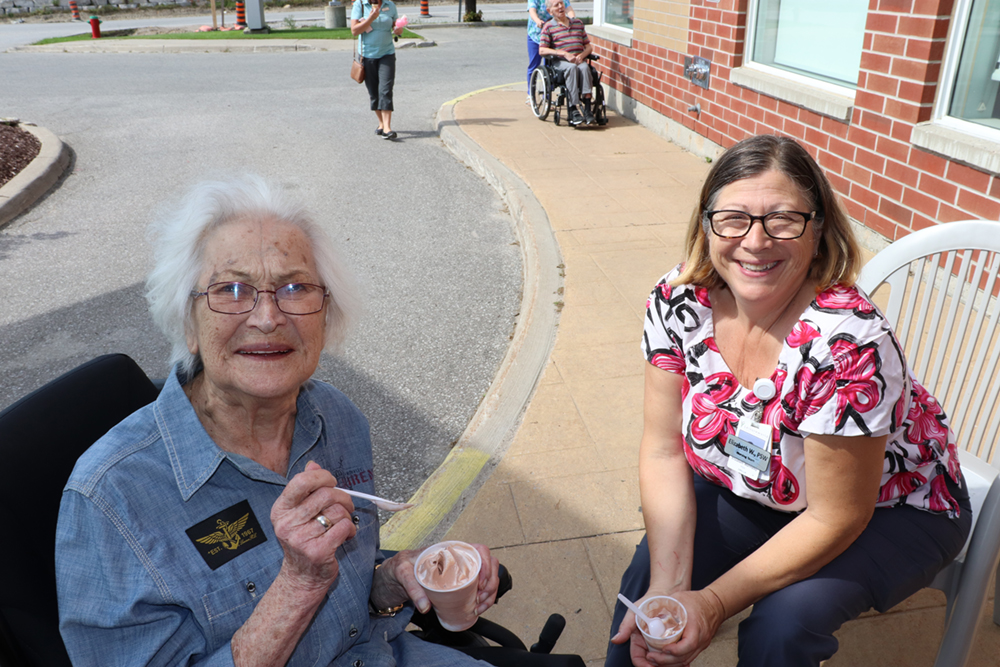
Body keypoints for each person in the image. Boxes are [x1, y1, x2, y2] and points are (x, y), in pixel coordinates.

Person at [55, 177, 500, 666]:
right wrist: (297, 587)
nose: (268, 316)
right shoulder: (110, 501)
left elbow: (351, 607)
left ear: (325, 317)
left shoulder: (337, 419)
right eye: (232, 289)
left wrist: (393, 578)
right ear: (188, 324)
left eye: (294, 287)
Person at [605, 135, 972, 667]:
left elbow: (836, 515)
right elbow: (663, 450)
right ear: (706, 225)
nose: (755, 241)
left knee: (782, 624)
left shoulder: (848, 342)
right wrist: (669, 585)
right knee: (646, 589)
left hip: (896, 505)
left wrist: (710, 603)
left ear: (818, 230)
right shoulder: (677, 300)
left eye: (783, 219)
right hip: (764, 488)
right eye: (733, 218)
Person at [351, 0, 403, 140]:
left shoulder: (390, 5)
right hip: (367, 56)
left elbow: (395, 25)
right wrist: (371, 18)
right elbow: (354, 30)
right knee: (374, 92)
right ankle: (381, 123)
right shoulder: (360, 5)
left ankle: (387, 128)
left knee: (385, 89)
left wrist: (398, 30)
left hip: (387, 54)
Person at [538, 0, 595, 126]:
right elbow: (542, 50)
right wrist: (563, 53)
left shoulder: (578, 23)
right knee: (571, 68)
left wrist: (582, 55)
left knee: (585, 67)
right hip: (560, 63)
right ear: (549, 11)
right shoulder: (549, 26)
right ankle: (573, 108)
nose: (560, 7)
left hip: (578, 60)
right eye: (556, 5)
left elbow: (589, 47)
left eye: (561, 3)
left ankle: (587, 109)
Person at [526, 0, 573, 105]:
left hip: (553, 35)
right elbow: (532, 10)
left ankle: (547, 97)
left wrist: (573, 19)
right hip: (536, 34)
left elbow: (568, 8)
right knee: (534, 65)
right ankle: (531, 94)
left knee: (550, 68)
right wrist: (538, 20)